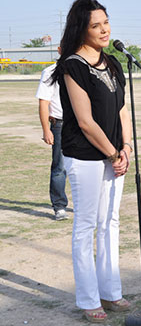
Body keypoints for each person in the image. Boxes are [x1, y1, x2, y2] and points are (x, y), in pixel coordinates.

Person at [51, 0, 132, 323]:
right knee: (85, 226)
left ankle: (111, 292)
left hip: (116, 156)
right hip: (85, 157)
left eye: (106, 22)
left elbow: (122, 108)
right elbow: (85, 121)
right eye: (95, 25)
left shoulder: (113, 62)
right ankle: (88, 300)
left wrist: (126, 147)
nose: (104, 29)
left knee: (109, 223)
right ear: (81, 30)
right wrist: (112, 153)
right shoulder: (72, 66)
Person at [36, 53, 69, 220]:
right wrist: (46, 130)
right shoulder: (50, 72)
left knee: (84, 165)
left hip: (81, 124)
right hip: (60, 124)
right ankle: (59, 206)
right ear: (59, 49)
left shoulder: (80, 68)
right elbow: (43, 102)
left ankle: (84, 204)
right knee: (60, 167)